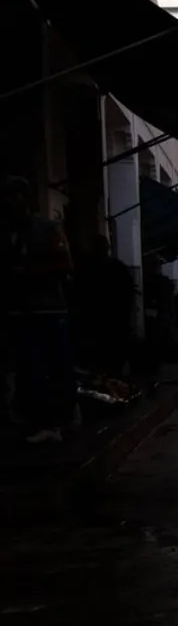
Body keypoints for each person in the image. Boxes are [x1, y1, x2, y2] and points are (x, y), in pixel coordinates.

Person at [2, 176, 74, 444]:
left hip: (48, 311)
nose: (11, 205)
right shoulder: (8, 233)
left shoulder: (47, 229)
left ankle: (57, 421)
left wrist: (25, 272)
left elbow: (65, 265)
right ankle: (39, 419)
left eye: (16, 198)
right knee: (27, 369)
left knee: (52, 367)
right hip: (18, 313)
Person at [71, 233, 135, 377]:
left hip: (99, 325)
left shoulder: (84, 268)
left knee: (99, 365)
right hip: (107, 325)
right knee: (109, 365)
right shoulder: (115, 268)